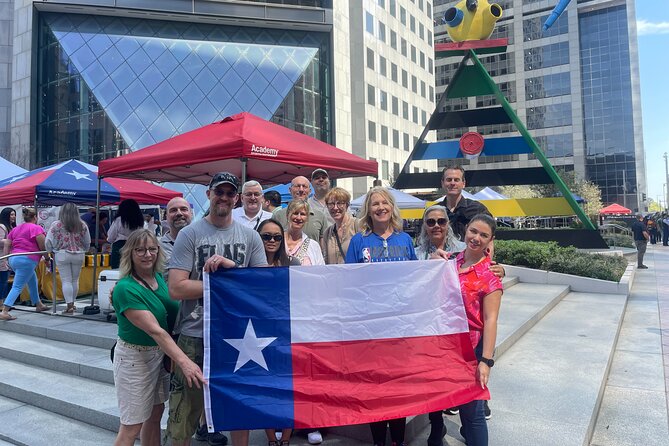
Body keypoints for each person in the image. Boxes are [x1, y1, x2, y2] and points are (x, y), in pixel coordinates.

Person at [166, 172, 267, 446]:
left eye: (229, 193)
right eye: (219, 192)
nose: (224, 197)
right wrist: (223, 285)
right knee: (183, 414)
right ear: (208, 194)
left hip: (239, 335)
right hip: (195, 333)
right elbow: (176, 287)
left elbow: (261, 286)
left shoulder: (250, 237)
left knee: (239, 410)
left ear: (237, 199)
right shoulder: (190, 234)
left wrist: (231, 268)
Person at [111, 229, 206, 446]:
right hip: (135, 359)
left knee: (155, 414)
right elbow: (156, 331)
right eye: (140, 250)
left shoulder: (158, 279)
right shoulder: (125, 288)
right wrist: (185, 362)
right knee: (131, 426)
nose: (147, 254)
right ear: (130, 253)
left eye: (152, 249)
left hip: (159, 355)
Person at [345, 186, 417, 446]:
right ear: (368, 210)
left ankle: (397, 440)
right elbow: (348, 282)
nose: (380, 208)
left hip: (399, 327)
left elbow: (416, 278)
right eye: (375, 204)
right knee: (374, 385)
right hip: (370, 327)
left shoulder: (404, 240)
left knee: (397, 385)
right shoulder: (359, 242)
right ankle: (378, 440)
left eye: (384, 203)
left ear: (392, 207)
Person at [454, 214, 503, 446]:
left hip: (472, 350)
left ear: (490, 240)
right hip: (447, 347)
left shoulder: (490, 275)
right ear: (466, 230)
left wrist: (486, 361)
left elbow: (491, 320)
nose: (476, 238)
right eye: (473, 231)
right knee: (459, 404)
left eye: (484, 235)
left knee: (472, 412)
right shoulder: (451, 262)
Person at [257, 218, 293, 445]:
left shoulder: (292, 264)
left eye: (277, 237)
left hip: (287, 333)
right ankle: (271, 439)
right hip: (258, 335)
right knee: (265, 388)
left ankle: (286, 439)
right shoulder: (247, 266)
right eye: (266, 236)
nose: (272, 240)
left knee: (288, 388)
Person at [0, 208, 50, 320]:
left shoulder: (16, 229)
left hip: (13, 258)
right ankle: (5, 311)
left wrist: (6, 258)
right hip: (27, 259)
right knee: (17, 286)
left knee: (32, 279)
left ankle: (38, 304)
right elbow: (43, 247)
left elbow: (7, 244)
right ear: (35, 217)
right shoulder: (37, 228)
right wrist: (47, 259)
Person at [45, 203, 91, 315]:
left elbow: (48, 241)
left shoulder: (56, 224)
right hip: (79, 253)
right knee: (75, 280)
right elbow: (87, 241)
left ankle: (69, 305)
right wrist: (84, 249)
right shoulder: (82, 225)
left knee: (66, 280)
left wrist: (51, 250)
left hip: (62, 253)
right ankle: (72, 303)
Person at [438, 165, 490, 241]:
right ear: (442, 183)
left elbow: (489, 235)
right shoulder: (434, 211)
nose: (452, 183)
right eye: (449, 180)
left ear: (463, 183)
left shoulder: (478, 209)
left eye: (456, 180)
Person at [274, 176, 329, 243]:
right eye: (297, 186)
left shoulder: (320, 216)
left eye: (304, 186)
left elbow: (324, 244)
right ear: (290, 190)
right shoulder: (278, 215)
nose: (301, 190)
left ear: (310, 191)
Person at [320, 187, 359, 265]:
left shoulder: (357, 225)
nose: (335, 207)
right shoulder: (327, 233)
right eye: (331, 204)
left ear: (347, 205)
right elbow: (326, 262)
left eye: (340, 203)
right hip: (334, 272)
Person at [284, 200, 325, 266]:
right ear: (287, 215)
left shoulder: (313, 246)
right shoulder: (277, 242)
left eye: (302, 214)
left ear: (307, 218)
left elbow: (320, 270)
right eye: (295, 213)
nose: (298, 217)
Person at [108, 199, 144, 269]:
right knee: (133, 269)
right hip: (134, 246)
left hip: (119, 247)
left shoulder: (119, 220)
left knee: (117, 270)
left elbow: (110, 237)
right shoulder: (139, 220)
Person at [0, 208, 17, 300]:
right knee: (2, 280)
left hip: (9, 257)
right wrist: (10, 241)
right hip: (2, 257)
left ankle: (4, 301)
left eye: (14, 214)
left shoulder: (12, 227)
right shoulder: (2, 226)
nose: (13, 217)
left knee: (5, 280)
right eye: (11, 214)